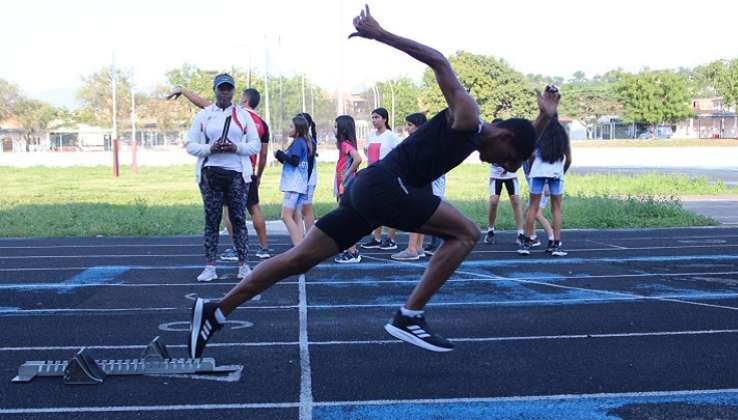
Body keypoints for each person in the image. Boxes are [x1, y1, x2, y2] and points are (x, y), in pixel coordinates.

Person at [186, 5, 557, 358]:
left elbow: (519, 141)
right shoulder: (468, 116)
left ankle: (216, 312)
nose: (502, 168)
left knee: (298, 259)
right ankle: (408, 316)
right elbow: (439, 61)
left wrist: (544, 118)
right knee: (466, 233)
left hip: (367, 191)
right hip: (385, 187)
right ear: (504, 139)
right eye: (506, 161)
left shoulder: (487, 137)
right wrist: (380, 35)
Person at [168, 87, 272, 260]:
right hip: (249, 171)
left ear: (244, 100)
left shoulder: (234, 114)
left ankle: (234, 248)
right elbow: (263, 153)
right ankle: (264, 247)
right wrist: (259, 174)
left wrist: (184, 91)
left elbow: (203, 103)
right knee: (254, 208)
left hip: (232, 169)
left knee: (227, 212)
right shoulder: (262, 123)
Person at [184, 73, 260, 282]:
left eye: (228, 89)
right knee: (212, 220)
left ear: (234, 91)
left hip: (237, 173)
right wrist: (211, 148)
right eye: (221, 88)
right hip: (210, 173)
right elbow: (190, 145)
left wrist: (237, 147)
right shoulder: (204, 115)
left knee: (238, 219)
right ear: (215, 90)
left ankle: (244, 265)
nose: (225, 92)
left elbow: (255, 144)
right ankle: (210, 266)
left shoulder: (243, 115)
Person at [519, 117, 571, 256]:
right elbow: (569, 159)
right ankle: (556, 244)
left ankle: (527, 243)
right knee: (556, 209)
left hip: (537, 172)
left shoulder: (538, 132)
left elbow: (531, 156)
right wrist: (562, 172)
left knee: (532, 207)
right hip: (556, 173)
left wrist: (530, 170)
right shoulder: (562, 134)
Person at [391, 112, 438, 261]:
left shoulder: (417, 142)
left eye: (410, 125)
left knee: (413, 216)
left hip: (417, 183)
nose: (407, 128)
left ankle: (412, 249)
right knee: (421, 216)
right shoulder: (429, 141)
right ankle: (419, 247)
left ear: (419, 127)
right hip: (425, 182)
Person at [360, 107, 401, 251]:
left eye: (377, 117)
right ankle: (376, 238)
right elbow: (366, 151)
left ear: (384, 119)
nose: (374, 120)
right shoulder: (371, 135)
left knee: (390, 208)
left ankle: (391, 239)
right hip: (372, 176)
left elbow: (401, 152)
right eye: (372, 117)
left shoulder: (391, 136)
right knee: (373, 208)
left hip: (387, 177)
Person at [275, 114, 314, 247]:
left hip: (294, 185)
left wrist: (282, 155)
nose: (288, 128)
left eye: (291, 126)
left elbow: (294, 161)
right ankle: (301, 245)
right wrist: (281, 157)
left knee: (286, 216)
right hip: (298, 184)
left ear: (298, 130)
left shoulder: (298, 143)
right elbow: (292, 161)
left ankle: (298, 247)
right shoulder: (302, 142)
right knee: (296, 216)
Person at [484, 119, 524, 246]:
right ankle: (490, 230)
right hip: (496, 176)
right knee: (494, 201)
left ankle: (520, 233)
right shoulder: (489, 141)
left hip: (510, 175)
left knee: (516, 201)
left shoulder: (511, 139)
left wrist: (510, 167)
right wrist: (503, 166)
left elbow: (518, 156)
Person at [332, 115, 364, 264]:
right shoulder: (343, 145)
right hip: (343, 184)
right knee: (345, 217)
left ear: (343, 129)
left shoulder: (345, 144)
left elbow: (358, 159)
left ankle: (352, 252)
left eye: (336, 126)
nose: (334, 129)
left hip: (346, 185)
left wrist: (346, 175)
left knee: (346, 218)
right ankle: (351, 249)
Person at [521, 160, 554, 250]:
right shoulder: (523, 154)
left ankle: (553, 238)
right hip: (534, 188)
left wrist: (547, 184)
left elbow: (546, 165)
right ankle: (533, 238)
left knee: (536, 214)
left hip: (542, 186)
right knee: (527, 214)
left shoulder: (536, 151)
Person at [298, 112, 318, 235]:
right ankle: (302, 238)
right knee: (301, 210)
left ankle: (307, 239)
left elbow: (308, 165)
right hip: (304, 180)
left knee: (305, 210)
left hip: (306, 181)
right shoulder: (303, 140)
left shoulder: (307, 141)